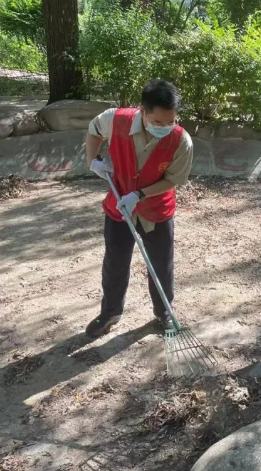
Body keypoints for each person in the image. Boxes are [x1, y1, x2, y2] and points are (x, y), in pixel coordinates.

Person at [84, 79, 193, 338]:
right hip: (119, 206)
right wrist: (92, 161)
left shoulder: (181, 141)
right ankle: (110, 312)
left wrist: (140, 194)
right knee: (115, 262)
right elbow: (93, 129)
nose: (165, 128)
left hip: (156, 209)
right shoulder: (115, 120)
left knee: (161, 264)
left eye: (171, 122)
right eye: (158, 122)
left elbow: (174, 179)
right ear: (143, 112)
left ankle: (163, 312)